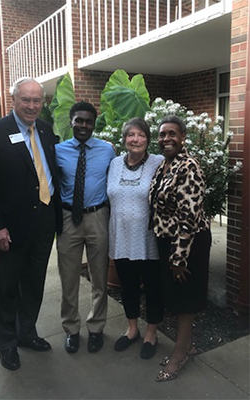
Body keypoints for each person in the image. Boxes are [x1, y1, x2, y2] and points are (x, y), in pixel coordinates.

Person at [0, 78, 62, 371]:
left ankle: (27, 332)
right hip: (7, 230)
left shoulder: (48, 131)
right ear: (13, 100)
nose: (32, 106)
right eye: (26, 100)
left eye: (37, 100)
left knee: (33, 284)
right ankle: (6, 344)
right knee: (4, 288)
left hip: (43, 224)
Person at [148, 115, 211, 382]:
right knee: (177, 296)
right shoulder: (165, 165)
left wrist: (179, 258)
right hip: (169, 241)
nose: (166, 139)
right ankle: (186, 346)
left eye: (172, 134)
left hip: (188, 243)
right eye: (162, 134)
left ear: (183, 137)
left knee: (185, 300)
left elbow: (189, 217)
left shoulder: (189, 167)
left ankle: (179, 355)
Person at [55, 101, 115, 353]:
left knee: (99, 278)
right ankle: (71, 329)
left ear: (94, 124)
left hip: (97, 217)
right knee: (68, 279)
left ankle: (96, 327)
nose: (83, 125)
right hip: (68, 219)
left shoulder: (107, 150)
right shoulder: (57, 151)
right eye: (79, 120)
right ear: (71, 121)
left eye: (88, 121)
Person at [107, 117, 164, 359]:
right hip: (120, 236)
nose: (136, 139)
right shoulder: (114, 163)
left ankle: (151, 332)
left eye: (141, 135)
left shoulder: (159, 162)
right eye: (131, 134)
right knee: (127, 286)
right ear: (124, 139)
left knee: (153, 287)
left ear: (148, 139)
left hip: (149, 237)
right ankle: (132, 329)